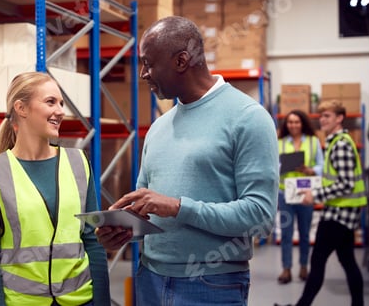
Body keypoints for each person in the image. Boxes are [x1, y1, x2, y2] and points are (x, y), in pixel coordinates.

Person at [96, 16, 279, 305]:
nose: (143, 74)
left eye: (148, 63)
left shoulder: (248, 118)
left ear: (181, 61)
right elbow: (148, 208)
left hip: (211, 285)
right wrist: (122, 230)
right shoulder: (159, 127)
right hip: (149, 278)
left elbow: (260, 217)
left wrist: (179, 207)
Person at [0, 72, 110, 306]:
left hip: (80, 300)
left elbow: (92, 241)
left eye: (61, 103)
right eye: (50, 102)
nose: (60, 111)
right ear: (21, 108)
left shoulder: (79, 162)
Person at [275, 99, 367, 306]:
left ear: (339, 118)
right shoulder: (336, 141)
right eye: (321, 116)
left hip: (339, 213)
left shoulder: (340, 144)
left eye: (327, 116)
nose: (322, 120)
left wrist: (315, 194)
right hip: (339, 210)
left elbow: (346, 184)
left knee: (318, 261)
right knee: (347, 261)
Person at [277, 110, 324, 284]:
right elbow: (273, 164)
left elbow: (322, 165)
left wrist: (311, 170)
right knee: (286, 234)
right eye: (290, 122)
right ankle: (286, 269)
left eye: (296, 122)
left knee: (305, 233)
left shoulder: (313, 142)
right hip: (285, 193)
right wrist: (283, 166)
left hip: (305, 192)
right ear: (286, 124)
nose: (293, 125)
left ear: (302, 123)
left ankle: (304, 266)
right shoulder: (280, 142)